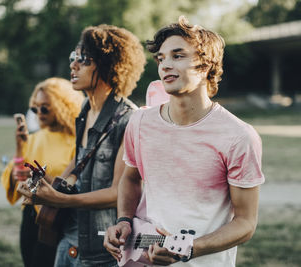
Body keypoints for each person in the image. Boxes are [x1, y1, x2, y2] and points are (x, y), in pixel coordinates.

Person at [104, 16, 265, 266]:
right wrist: (124, 220)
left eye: (178, 56)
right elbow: (131, 178)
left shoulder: (239, 136)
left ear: (206, 66)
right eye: (161, 58)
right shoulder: (139, 122)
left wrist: (189, 249)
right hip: (141, 261)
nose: (166, 64)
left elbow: (245, 223)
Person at [18, 24, 146, 266]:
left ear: (110, 65)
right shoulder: (84, 111)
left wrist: (59, 199)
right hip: (68, 236)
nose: (73, 65)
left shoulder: (129, 120)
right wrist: (45, 187)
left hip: (102, 247)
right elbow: (79, 160)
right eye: (72, 57)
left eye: (83, 59)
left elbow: (118, 193)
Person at [0, 77, 84, 267]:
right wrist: (20, 149)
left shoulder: (77, 141)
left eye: (45, 107)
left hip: (60, 221)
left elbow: (76, 187)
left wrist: (45, 179)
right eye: (35, 108)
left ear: (64, 105)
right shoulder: (33, 138)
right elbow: (13, 188)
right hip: (31, 220)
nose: (39, 112)